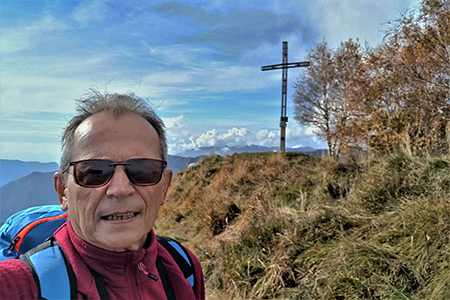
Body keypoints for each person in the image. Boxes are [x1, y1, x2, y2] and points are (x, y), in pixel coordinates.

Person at [0, 91, 205, 299]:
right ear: (63, 192)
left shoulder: (184, 267)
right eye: (94, 172)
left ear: (164, 187)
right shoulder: (21, 286)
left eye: (143, 170)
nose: (120, 189)